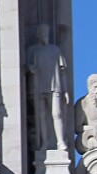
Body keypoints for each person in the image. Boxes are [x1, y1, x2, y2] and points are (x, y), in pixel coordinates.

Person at [26, 24, 68, 153]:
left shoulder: (55, 50)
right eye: (43, 32)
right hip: (38, 86)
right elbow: (26, 67)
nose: (45, 34)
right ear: (38, 34)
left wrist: (65, 91)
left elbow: (62, 73)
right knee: (41, 116)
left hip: (55, 86)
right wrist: (30, 68)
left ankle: (60, 141)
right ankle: (44, 143)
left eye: (46, 32)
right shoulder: (32, 50)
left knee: (57, 113)